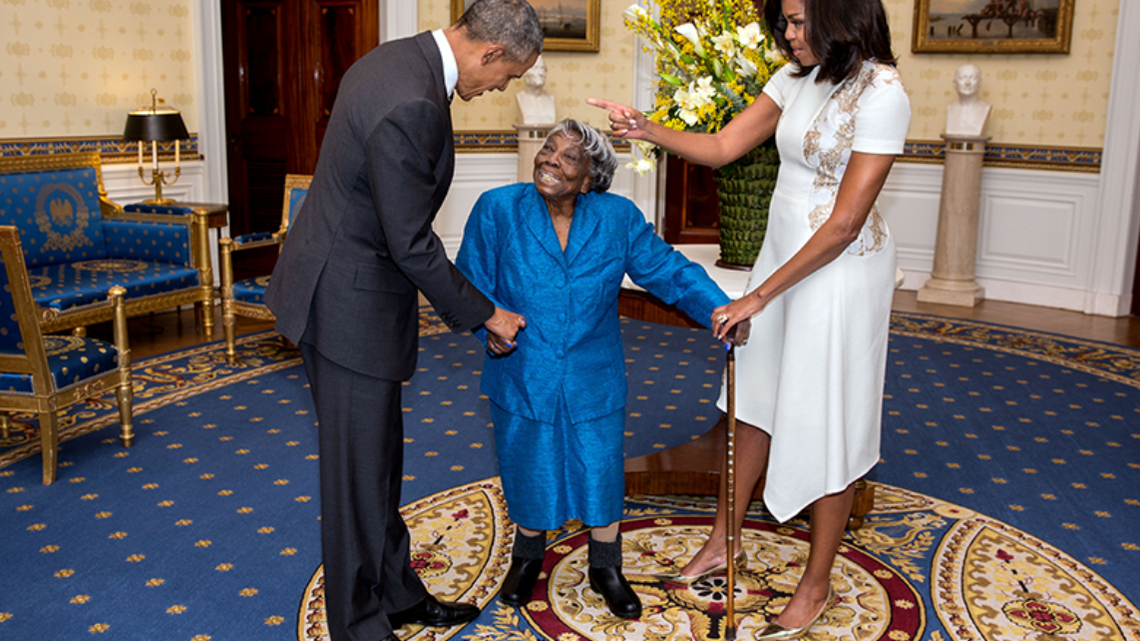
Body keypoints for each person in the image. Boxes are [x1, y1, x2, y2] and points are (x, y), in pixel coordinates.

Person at [590, 0, 911, 637]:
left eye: (798, 21)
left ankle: (815, 582)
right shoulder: (794, 77)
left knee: (829, 420)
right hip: (781, 255)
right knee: (751, 400)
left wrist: (758, 295)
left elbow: (845, 223)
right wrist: (647, 129)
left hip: (841, 276)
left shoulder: (884, 93)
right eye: (784, 23)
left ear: (840, 15)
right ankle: (724, 539)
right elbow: (721, 146)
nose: (788, 35)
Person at [263, 2, 542, 640]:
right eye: (504, 77)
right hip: (345, 306)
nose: (498, 88)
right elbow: (410, 244)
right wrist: (487, 315)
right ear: (489, 52)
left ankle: (398, 594)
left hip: (343, 286)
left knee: (378, 462)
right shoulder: (413, 100)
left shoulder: (398, 57)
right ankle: (359, 626)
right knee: (357, 479)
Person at [455, 119, 735, 620]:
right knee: (526, 462)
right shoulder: (497, 209)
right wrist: (487, 332)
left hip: (594, 373)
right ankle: (527, 555)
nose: (550, 160)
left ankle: (606, 567)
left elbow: (668, 271)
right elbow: (469, 284)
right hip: (521, 369)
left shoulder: (616, 218)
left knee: (601, 469)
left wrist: (721, 308)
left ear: (589, 179)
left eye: (568, 158)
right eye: (548, 149)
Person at [946, 63, 990, 136]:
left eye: (973, 78)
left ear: (980, 83)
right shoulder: (950, 107)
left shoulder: (985, 108)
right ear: (954, 83)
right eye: (962, 78)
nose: (967, 83)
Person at [516, 54, 557, 125]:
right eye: (535, 68)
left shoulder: (550, 98)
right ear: (524, 73)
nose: (541, 73)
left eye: (543, 69)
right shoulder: (519, 97)